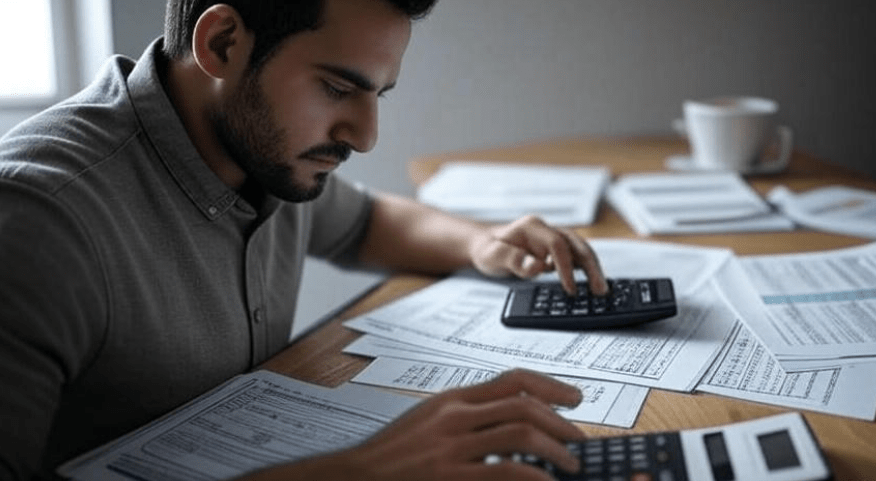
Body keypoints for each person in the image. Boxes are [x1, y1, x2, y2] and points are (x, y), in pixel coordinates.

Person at [0, 0, 610, 479]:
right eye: (338, 89)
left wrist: (482, 242)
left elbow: (369, 222)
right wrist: (358, 474)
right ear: (223, 44)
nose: (366, 136)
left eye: (377, 94)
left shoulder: (261, 154)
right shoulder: (37, 222)